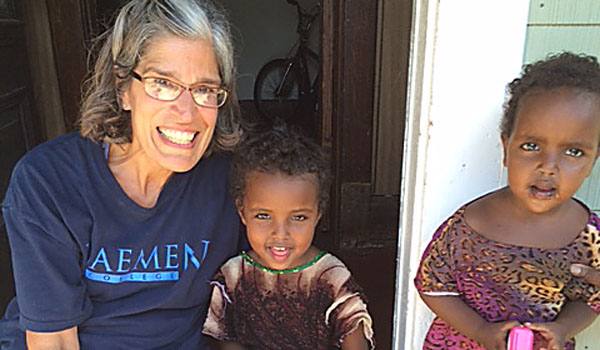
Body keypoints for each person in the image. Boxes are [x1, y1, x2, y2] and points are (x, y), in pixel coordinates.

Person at [0, 1, 247, 349]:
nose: (187, 112)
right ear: (123, 88)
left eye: (204, 89)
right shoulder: (49, 182)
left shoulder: (230, 179)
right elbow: (53, 340)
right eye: (162, 83)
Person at [414, 52, 600, 350]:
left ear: (593, 162)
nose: (548, 166)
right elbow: (431, 286)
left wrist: (563, 328)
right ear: (506, 147)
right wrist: (480, 330)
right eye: (531, 146)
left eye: (574, 152)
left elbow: (592, 297)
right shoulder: (471, 224)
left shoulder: (589, 237)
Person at [201, 127, 375, 350]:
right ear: (243, 213)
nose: (280, 233)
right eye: (263, 216)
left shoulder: (331, 277)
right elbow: (226, 339)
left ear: (318, 215)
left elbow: (354, 335)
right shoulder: (234, 276)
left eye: (299, 217)